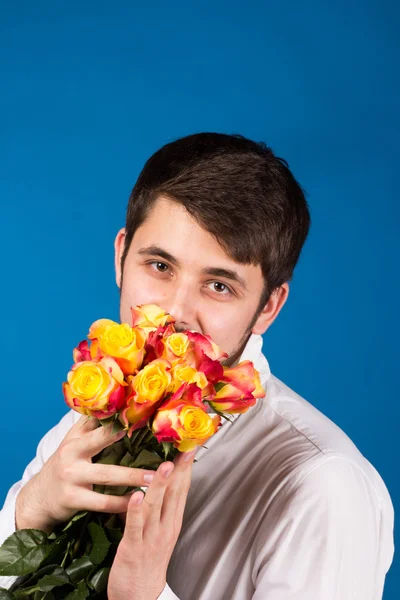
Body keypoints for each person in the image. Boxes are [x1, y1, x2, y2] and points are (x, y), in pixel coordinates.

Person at [0, 133, 394, 599]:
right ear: (121, 257)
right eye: (160, 266)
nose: (176, 313)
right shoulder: (87, 423)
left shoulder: (325, 486)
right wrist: (28, 512)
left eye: (220, 286)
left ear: (269, 306)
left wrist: (145, 595)